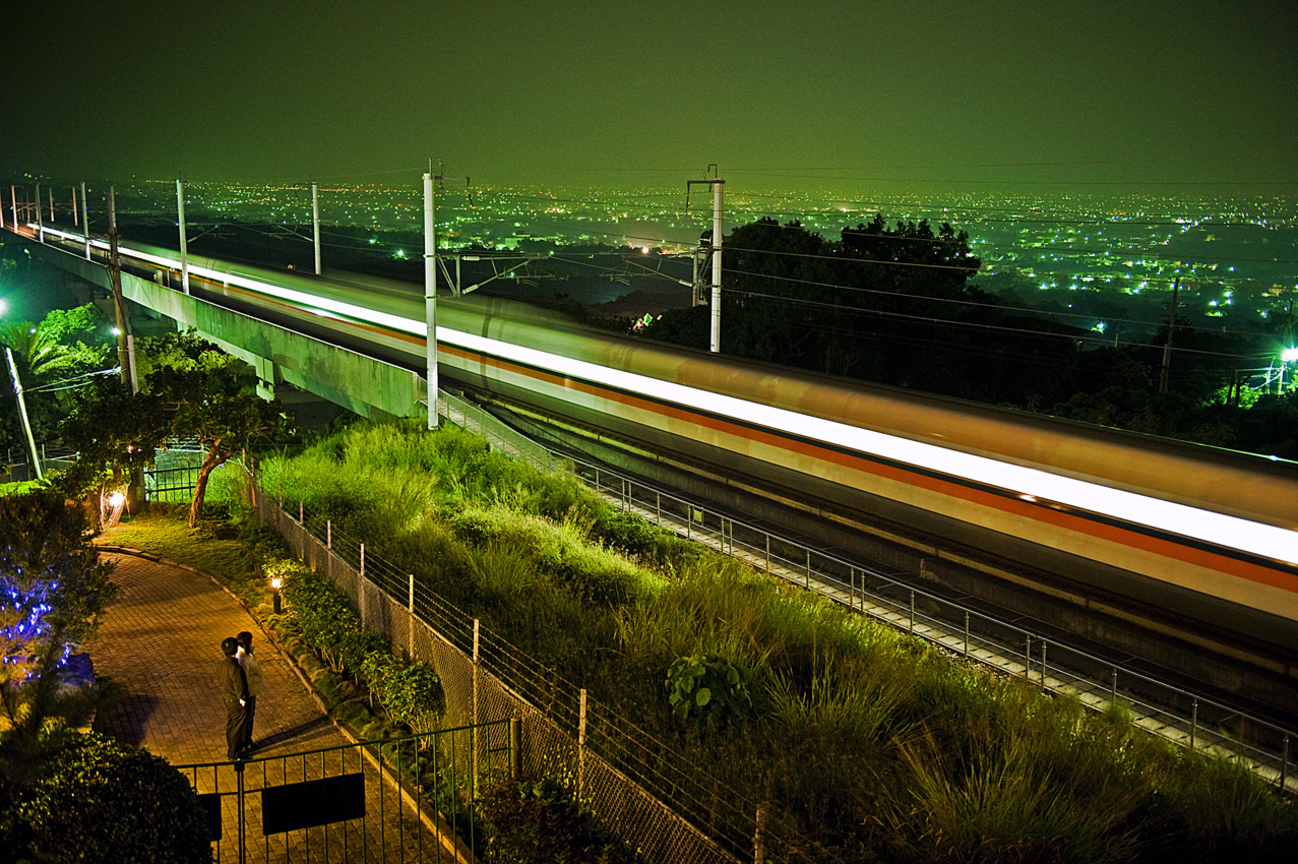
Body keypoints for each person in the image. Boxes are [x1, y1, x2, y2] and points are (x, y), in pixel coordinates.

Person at [218, 636, 249, 761]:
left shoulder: (221, 665)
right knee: (237, 726)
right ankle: (234, 753)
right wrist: (243, 698)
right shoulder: (235, 668)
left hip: (228, 698)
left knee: (231, 725)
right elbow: (239, 685)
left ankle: (232, 749)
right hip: (236, 700)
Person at [235, 630, 264, 754]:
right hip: (249, 692)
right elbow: (245, 678)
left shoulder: (247, 654)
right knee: (247, 717)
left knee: (250, 716)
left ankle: (247, 740)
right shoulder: (243, 658)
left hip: (252, 690)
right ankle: (245, 742)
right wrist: (257, 677)